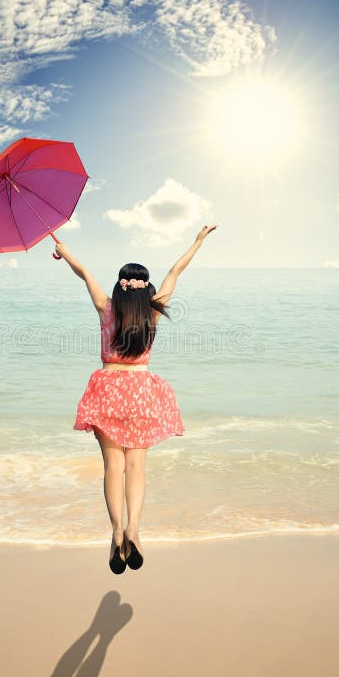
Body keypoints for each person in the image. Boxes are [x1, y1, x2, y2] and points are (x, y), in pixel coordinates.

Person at [54, 224, 217, 574]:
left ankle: (115, 532)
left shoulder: (105, 307)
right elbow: (176, 271)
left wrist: (64, 252)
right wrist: (197, 242)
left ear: (120, 286)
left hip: (108, 389)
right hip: (141, 392)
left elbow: (83, 271)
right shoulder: (154, 310)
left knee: (113, 466)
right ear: (146, 289)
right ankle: (135, 531)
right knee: (136, 467)